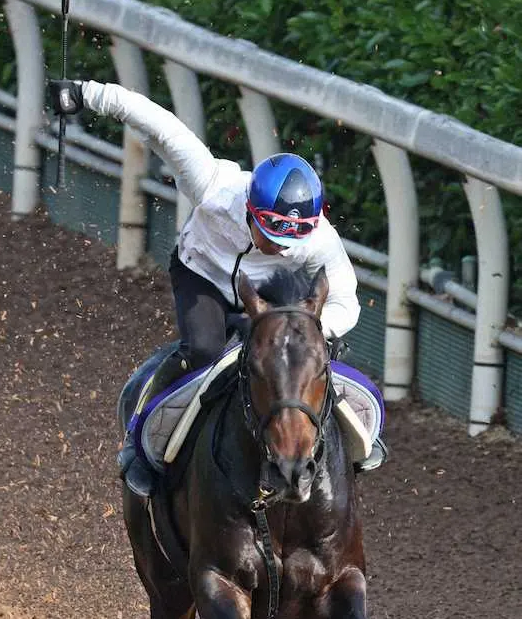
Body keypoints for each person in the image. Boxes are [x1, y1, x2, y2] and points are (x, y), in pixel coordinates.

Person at [49, 79, 387, 496]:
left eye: (292, 242)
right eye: (274, 238)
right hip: (202, 275)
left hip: (272, 298)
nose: (283, 250)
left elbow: (345, 302)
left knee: (302, 360)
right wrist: (84, 93)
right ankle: (138, 444)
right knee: (205, 352)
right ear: (250, 209)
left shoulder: (319, 239)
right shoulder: (212, 184)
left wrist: (309, 329)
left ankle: (353, 439)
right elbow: (158, 124)